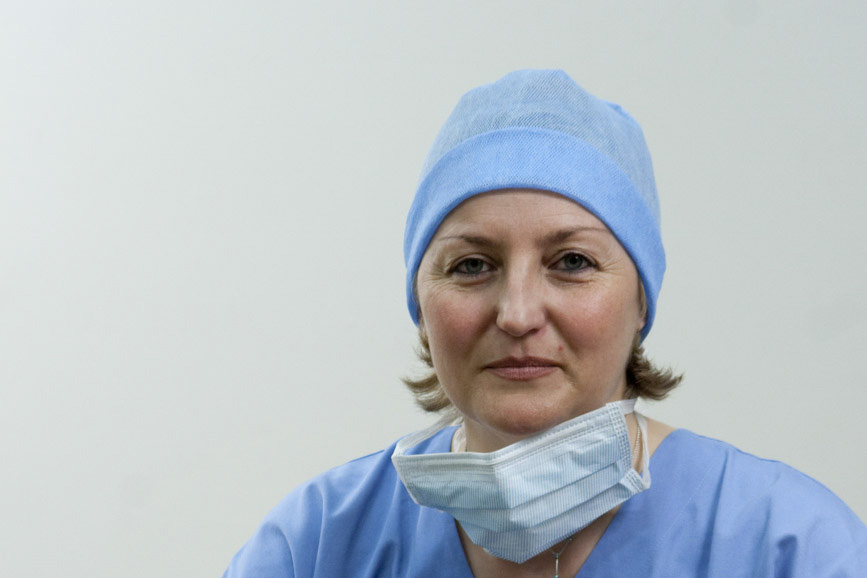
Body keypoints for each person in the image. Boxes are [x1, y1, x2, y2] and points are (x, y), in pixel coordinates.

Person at [222, 70, 867, 577]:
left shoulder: (789, 547)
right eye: (472, 265)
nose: (518, 314)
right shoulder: (319, 545)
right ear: (419, 299)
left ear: (641, 299)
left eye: (573, 262)